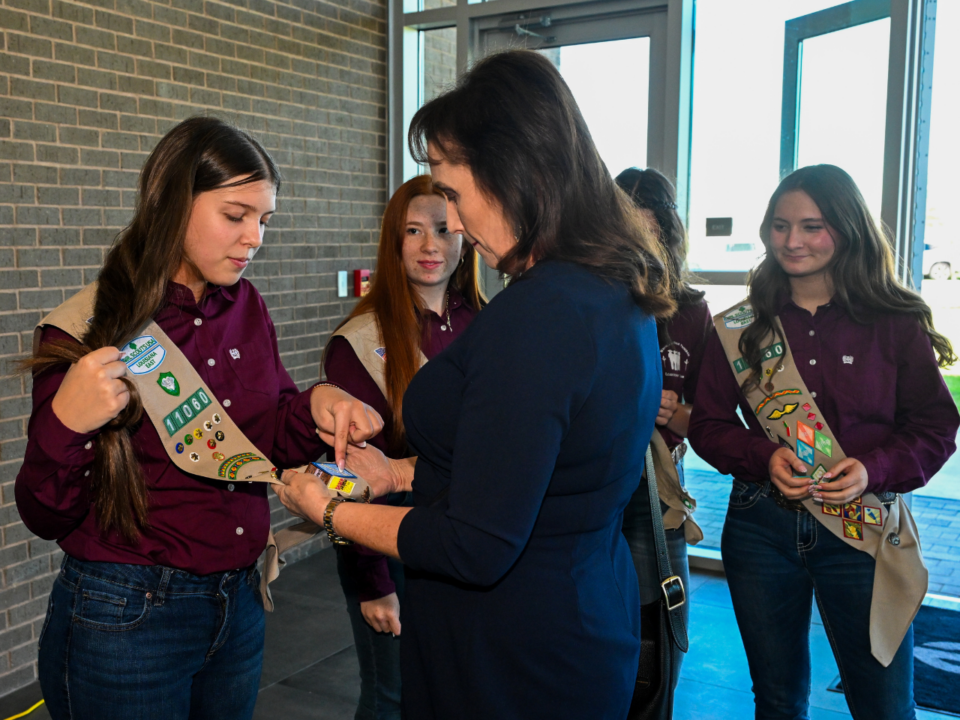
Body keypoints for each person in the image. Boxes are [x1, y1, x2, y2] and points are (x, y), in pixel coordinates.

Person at [275, 49, 675, 719]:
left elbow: (477, 544)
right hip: (573, 618)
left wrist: (329, 513)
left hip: (508, 655)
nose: (453, 225)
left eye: (455, 197)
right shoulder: (607, 286)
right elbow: (535, 464)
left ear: (514, 173)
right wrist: (400, 475)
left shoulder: (541, 314)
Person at [15, 116, 383, 720]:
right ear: (172, 202)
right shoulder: (83, 328)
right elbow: (43, 512)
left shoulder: (247, 304)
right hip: (127, 615)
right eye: (235, 216)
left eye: (264, 220)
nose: (254, 238)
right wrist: (65, 423)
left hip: (239, 603)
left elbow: (264, 434)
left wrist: (316, 403)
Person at [688, 164, 959, 720]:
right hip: (760, 527)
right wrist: (763, 456)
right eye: (780, 225)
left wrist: (873, 469)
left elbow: (935, 427)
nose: (792, 241)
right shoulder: (737, 327)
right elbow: (708, 425)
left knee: (884, 705)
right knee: (778, 701)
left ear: (847, 228)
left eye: (812, 226)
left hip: (863, 529)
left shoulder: (894, 321)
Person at [324, 174, 483, 720]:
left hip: (471, 541)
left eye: (443, 229)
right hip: (394, 551)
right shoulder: (361, 341)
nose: (430, 245)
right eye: (413, 231)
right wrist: (373, 583)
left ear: (464, 236)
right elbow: (350, 475)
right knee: (393, 697)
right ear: (394, 241)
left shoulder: (488, 324)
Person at [616, 167, 711, 707]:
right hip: (587, 496)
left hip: (655, 500)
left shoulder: (693, 313)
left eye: (648, 233)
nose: (638, 248)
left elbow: (712, 425)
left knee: (661, 649)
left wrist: (673, 412)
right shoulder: (588, 300)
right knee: (604, 645)